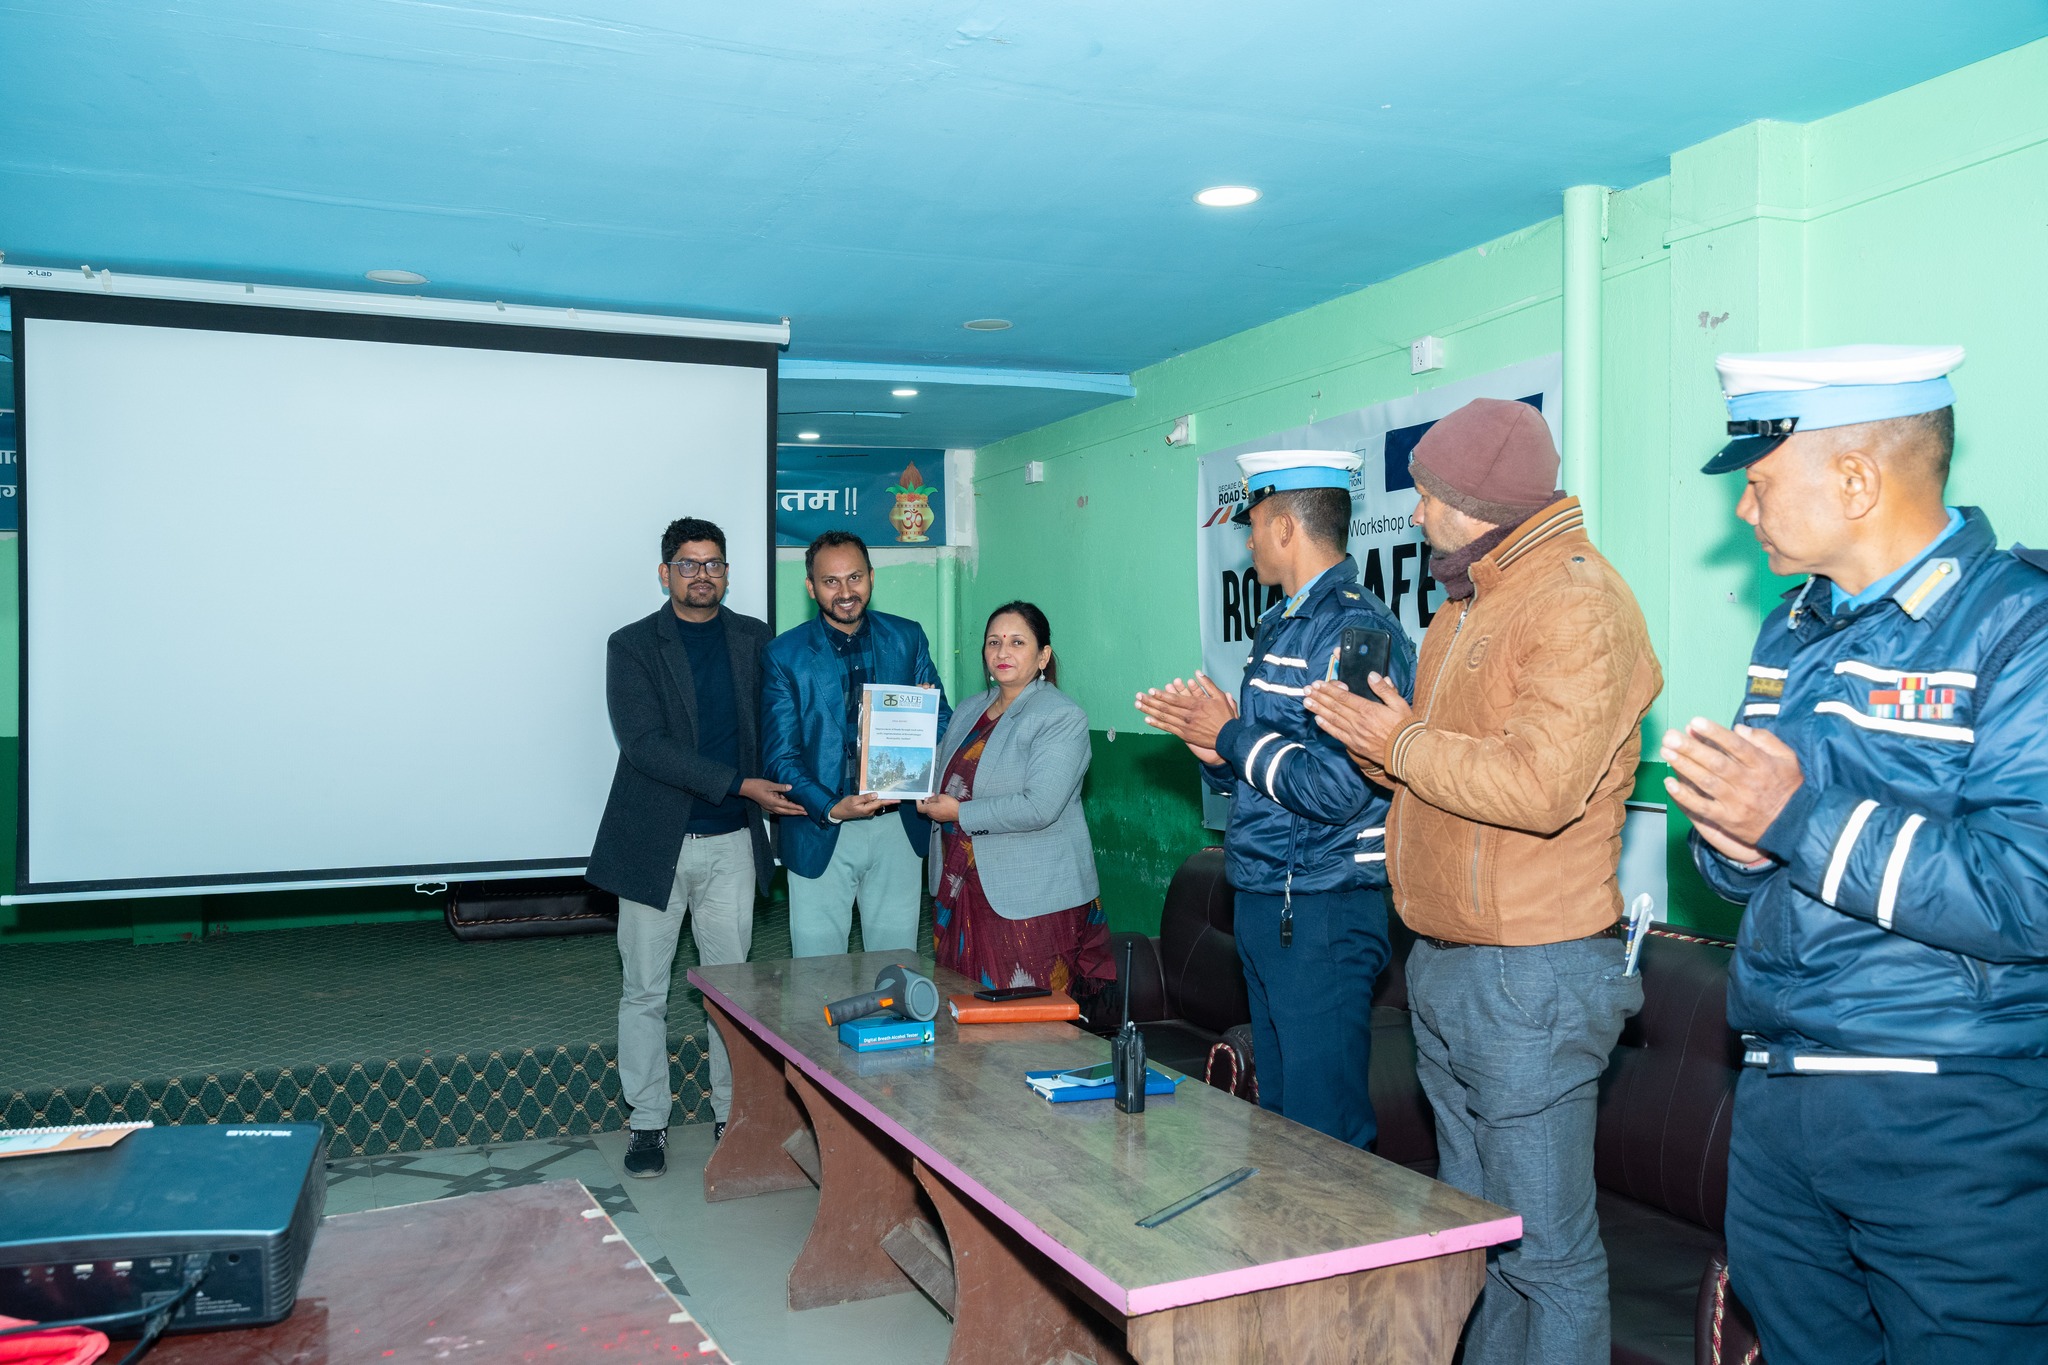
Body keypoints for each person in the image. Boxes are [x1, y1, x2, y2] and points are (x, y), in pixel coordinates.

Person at [1662, 345, 2048, 1365]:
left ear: (1854, 479)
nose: (1743, 509)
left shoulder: (2020, 625)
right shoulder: (1790, 628)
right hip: (1779, 1096)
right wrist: (1733, 845)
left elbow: (2028, 889)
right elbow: (1758, 857)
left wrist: (1793, 817)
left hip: (1949, 1109)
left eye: (1758, 482)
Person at [1302, 398, 1659, 1365]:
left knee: (1547, 1255)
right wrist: (1375, 739)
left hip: (1531, 971)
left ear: (1477, 500)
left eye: (1426, 495)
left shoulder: (1578, 604)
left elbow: (1540, 788)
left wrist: (1403, 741)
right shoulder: (1468, 602)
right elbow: (1443, 771)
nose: (1415, 514)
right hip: (1450, 963)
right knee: (1481, 1239)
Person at [1135, 450, 1413, 1149]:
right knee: (1281, 1127)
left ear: (1286, 526)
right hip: (1268, 900)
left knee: (1325, 1135)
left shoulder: (1357, 634)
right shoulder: (1280, 624)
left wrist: (1231, 735)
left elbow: (1340, 787)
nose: (1249, 541)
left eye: (1254, 524)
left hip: (1322, 910)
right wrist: (1217, 755)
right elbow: (1273, 776)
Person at [587, 516, 806, 1179]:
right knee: (644, 992)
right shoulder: (631, 645)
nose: (701, 574)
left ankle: (731, 1114)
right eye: (688, 564)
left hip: (733, 843)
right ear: (666, 573)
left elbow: (781, 721)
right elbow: (644, 745)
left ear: (727, 572)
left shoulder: (754, 639)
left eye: (713, 563)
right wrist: (738, 782)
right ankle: (647, 1121)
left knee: (730, 994)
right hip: (654, 845)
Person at [762, 531, 950, 958]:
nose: (845, 592)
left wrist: (922, 718)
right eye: (831, 581)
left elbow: (943, 721)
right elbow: (780, 757)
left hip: (897, 825)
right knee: (816, 972)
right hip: (822, 825)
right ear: (811, 587)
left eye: (855, 577)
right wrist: (833, 807)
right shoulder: (783, 655)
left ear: (871, 577)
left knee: (895, 965)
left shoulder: (906, 637)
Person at [915, 602, 1113, 1000]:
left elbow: (1039, 806)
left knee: (1027, 1016)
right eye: (994, 642)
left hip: (1030, 900)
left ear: (1043, 656)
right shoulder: (969, 709)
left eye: (1017, 642)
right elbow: (940, 774)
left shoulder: (1061, 716)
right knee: (961, 1007)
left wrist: (960, 813)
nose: (1002, 652)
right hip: (960, 887)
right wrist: (915, 722)